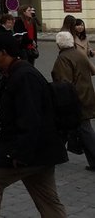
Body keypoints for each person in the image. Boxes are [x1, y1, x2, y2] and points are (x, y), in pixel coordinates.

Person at [0, 32, 67, 218]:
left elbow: (31, 118)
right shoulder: (13, 73)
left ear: (3, 52)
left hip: (31, 149)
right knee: (47, 199)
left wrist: (20, 154)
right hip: (42, 149)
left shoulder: (24, 76)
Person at [51, 31, 95, 171]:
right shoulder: (78, 54)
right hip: (85, 94)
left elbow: (64, 83)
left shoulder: (63, 58)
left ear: (58, 44)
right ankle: (55, 154)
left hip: (75, 99)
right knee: (73, 129)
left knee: (84, 130)